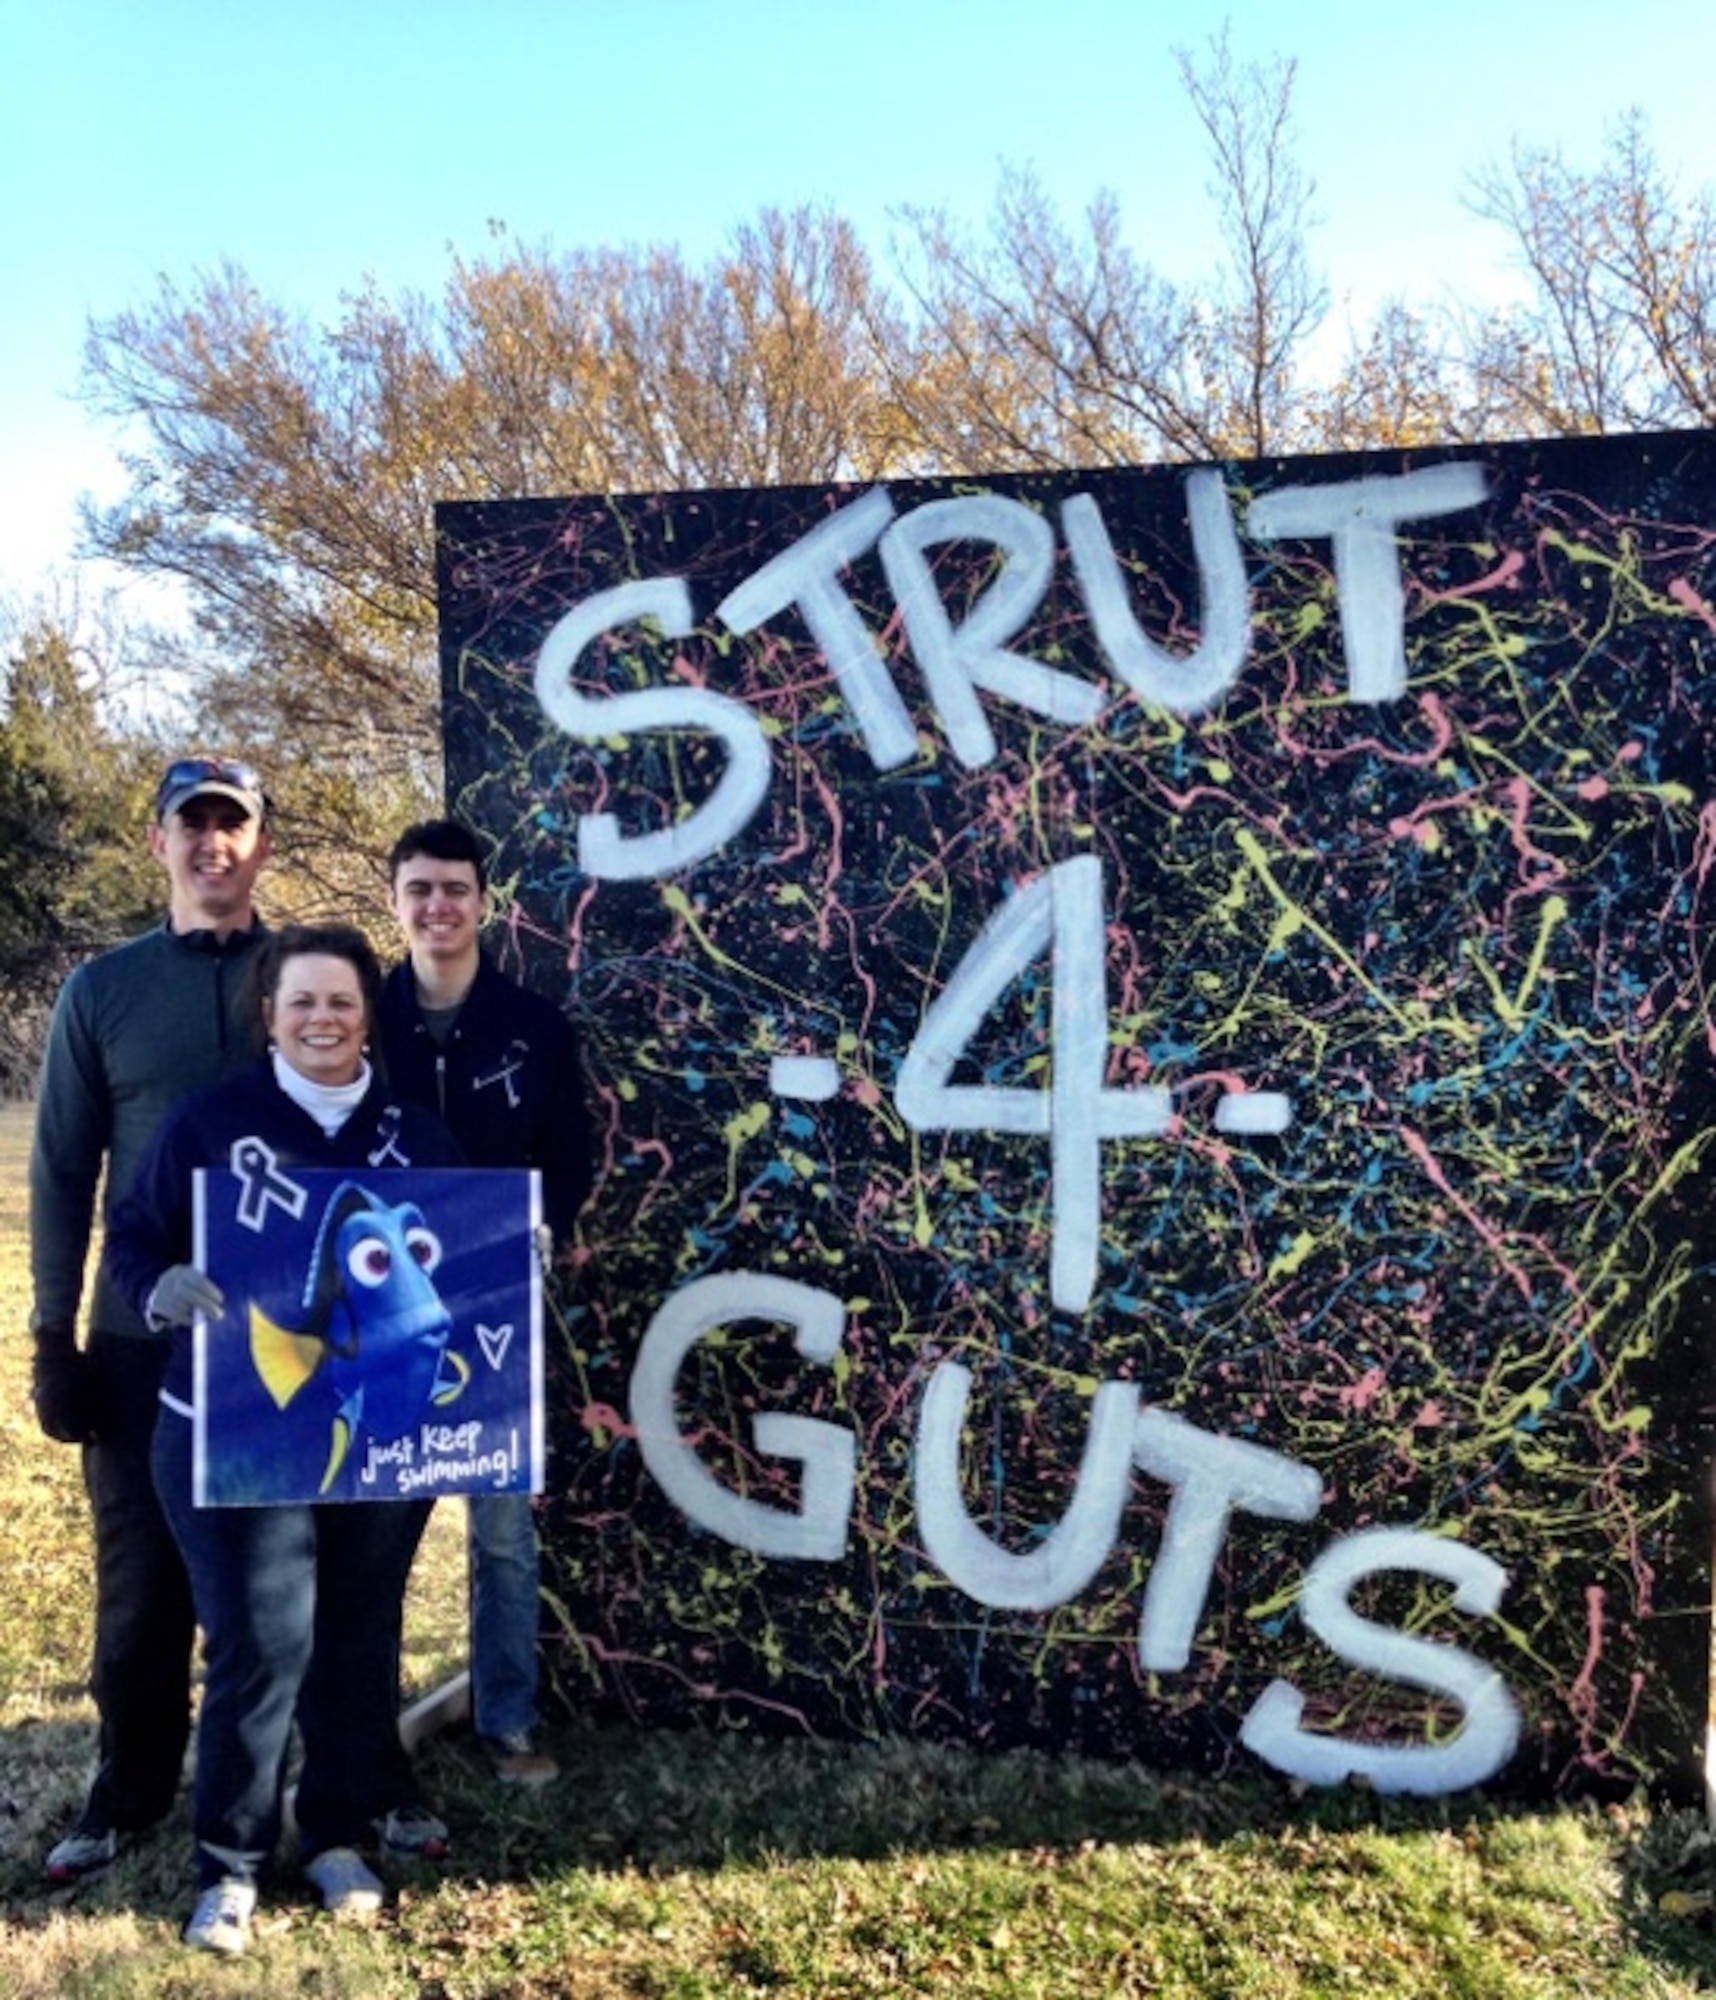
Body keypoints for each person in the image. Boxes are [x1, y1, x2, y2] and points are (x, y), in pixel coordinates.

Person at [103, 924, 467, 1955]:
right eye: (302, 1000)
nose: (322, 1019)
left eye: (342, 1002)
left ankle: (338, 1831)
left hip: (372, 1434)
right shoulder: (209, 1122)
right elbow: (133, 1235)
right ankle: (229, 1862)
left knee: (356, 1634)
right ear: (268, 1012)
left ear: (368, 1016)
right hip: (232, 1428)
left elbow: (456, 1267)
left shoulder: (416, 1135)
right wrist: (155, 1284)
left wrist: (505, 1243)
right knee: (261, 1643)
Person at [27, 754, 273, 1881]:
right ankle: (127, 1785)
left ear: (261, 841)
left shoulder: (312, 970)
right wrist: (49, 1337)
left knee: (275, 1581)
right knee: (140, 1589)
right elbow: (62, 1168)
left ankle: (280, 1781)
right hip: (138, 1340)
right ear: (159, 840)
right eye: (194, 823)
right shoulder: (103, 989)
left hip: (287, 1345)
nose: (213, 841)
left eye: (234, 822)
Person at [378, 818, 591, 1787]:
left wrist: (529, 1226)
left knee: (501, 1526)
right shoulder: (356, 1013)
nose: (438, 905)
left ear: (484, 900)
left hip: (496, 1303)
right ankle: (361, 1716)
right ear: (395, 901)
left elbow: (571, 1161)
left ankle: (507, 1715)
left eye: (455, 887)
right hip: (378, 1314)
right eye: (419, 888)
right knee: (373, 1517)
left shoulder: (534, 1026)